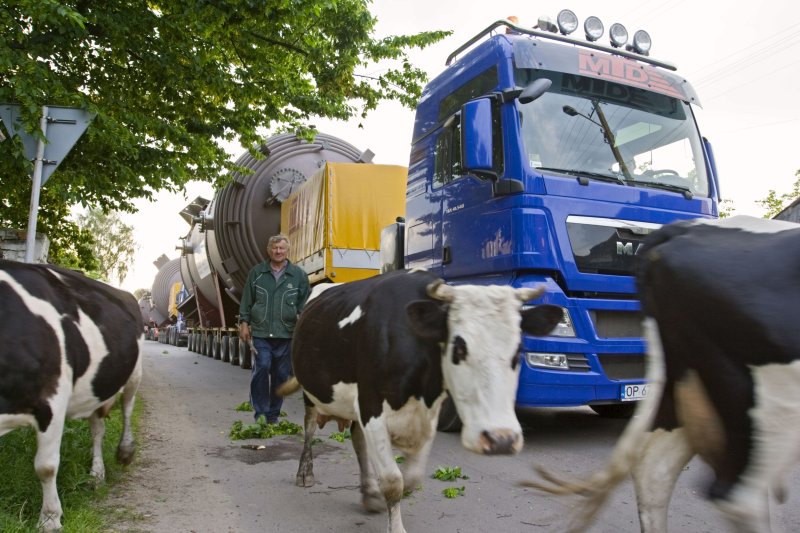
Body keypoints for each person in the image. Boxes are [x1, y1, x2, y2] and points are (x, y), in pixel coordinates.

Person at [238, 234, 309, 424]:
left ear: (287, 250)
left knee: (280, 376)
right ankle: (260, 413)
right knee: (261, 368)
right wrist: (244, 324)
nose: (278, 251)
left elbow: (304, 306)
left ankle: (273, 415)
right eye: (275, 248)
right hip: (261, 332)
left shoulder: (299, 275)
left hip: (286, 334)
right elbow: (247, 300)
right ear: (269, 250)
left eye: (281, 248)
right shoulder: (257, 273)